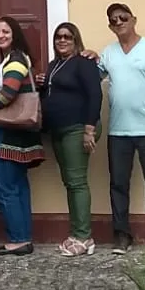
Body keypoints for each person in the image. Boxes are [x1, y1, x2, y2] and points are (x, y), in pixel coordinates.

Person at [97, 2, 145, 255]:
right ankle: (121, 235)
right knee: (118, 184)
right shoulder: (107, 54)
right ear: (110, 26)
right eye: (114, 20)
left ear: (133, 19)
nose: (119, 22)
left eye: (123, 18)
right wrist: (85, 55)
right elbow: (89, 80)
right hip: (118, 131)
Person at [0, 15, 42, 256]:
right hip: (15, 130)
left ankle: (18, 238)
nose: (0, 35)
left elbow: (9, 92)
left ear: (14, 34)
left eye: (5, 31)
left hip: (6, 128)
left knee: (1, 184)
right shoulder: (13, 59)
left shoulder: (14, 58)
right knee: (17, 184)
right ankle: (23, 237)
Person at [39, 21, 101, 257]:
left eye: (68, 37)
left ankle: (85, 237)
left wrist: (89, 130)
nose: (62, 40)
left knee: (77, 181)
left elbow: (95, 95)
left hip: (78, 128)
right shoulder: (55, 65)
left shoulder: (84, 63)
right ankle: (75, 233)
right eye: (58, 37)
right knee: (69, 182)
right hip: (58, 130)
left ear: (76, 40)